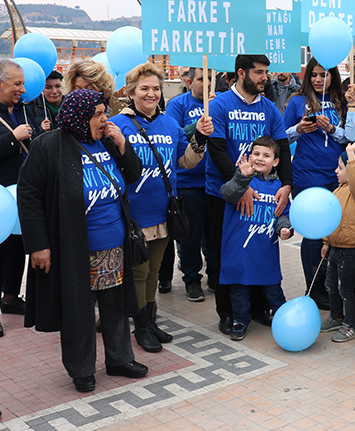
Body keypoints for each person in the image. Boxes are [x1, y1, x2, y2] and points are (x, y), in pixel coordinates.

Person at [20, 89, 147, 392]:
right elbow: (28, 195)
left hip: (114, 245)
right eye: (98, 114)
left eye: (105, 112)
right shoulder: (50, 146)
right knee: (79, 310)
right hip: (74, 247)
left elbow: (134, 174)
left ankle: (119, 359)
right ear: (79, 116)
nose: (105, 119)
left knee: (115, 307)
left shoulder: (106, 141)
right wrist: (38, 245)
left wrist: (122, 144)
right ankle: (81, 368)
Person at [109, 62, 211, 353]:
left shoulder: (170, 124)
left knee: (154, 271)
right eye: (144, 88)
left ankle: (150, 320)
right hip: (134, 215)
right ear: (131, 92)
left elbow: (186, 161)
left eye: (155, 88)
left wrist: (200, 138)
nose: (151, 93)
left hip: (165, 212)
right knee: (139, 272)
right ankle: (140, 325)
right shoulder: (119, 124)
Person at [206, 54, 292, 335]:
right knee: (227, 255)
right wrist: (241, 184)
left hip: (264, 192)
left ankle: (256, 309)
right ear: (241, 73)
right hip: (225, 191)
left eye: (266, 72)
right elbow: (217, 150)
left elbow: (282, 148)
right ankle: (228, 313)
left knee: (258, 247)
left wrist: (287, 184)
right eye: (258, 72)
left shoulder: (269, 108)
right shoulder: (219, 105)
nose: (264, 77)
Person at [285, 57, 355, 310]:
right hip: (306, 176)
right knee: (314, 233)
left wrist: (331, 129)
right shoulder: (296, 101)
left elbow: (350, 138)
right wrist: (299, 129)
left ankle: (330, 284)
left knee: (333, 233)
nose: (318, 79)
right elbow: (281, 137)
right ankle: (313, 288)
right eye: (314, 75)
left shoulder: (341, 102)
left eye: (323, 75)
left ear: (332, 77)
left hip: (335, 176)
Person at [218, 136, 291, 340]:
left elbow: (283, 215)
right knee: (239, 293)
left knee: (274, 291)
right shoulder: (239, 180)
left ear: (275, 162)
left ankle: (285, 320)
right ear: (249, 157)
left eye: (266, 155)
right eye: (256, 154)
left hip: (265, 252)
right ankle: (240, 321)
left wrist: (285, 229)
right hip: (238, 253)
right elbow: (227, 194)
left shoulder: (279, 187)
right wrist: (242, 178)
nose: (260, 159)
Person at [0, 59, 49, 328]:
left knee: (17, 247)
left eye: (23, 83)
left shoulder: (25, 109)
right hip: (0, 196)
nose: (22, 88)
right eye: (16, 83)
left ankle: (10, 298)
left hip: (22, 193)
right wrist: (12, 137)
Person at [318, 138, 355, 343]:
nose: (336, 171)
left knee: (346, 289)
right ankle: (336, 317)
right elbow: (330, 218)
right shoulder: (338, 189)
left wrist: (351, 156)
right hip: (335, 247)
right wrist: (326, 242)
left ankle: (351, 325)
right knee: (331, 286)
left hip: (350, 250)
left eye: (340, 167)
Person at [165, 67, 217, 302]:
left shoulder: (218, 102)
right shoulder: (178, 105)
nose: (206, 85)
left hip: (214, 181)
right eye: (201, 79)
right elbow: (173, 136)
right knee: (190, 236)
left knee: (214, 234)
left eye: (210, 80)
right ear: (189, 81)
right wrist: (197, 124)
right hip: (188, 183)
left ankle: (215, 276)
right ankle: (191, 279)